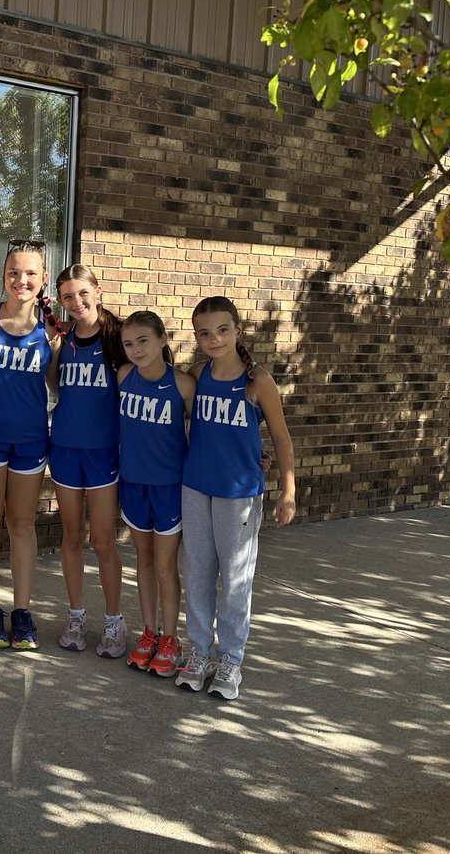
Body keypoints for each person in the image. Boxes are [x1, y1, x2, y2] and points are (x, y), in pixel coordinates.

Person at [176, 296, 295, 701]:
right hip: (195, 486)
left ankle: (230, 658)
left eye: (222, 330)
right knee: (197, 572)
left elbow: (280, 438)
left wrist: (289, 491)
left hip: (239, 494)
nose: (214, 339)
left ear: (237, 330)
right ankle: (198, 652)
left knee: (235, 580)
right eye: (204, 333)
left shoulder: (257, 380)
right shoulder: (196, 374)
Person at [0, 239, 56, 650]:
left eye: (30, 273)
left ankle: (21, 611)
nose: (22, 280)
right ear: (3, 275)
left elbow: (57, 385)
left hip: (31, 439)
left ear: (42, 279)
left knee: (21, 525)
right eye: (14, 272)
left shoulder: (51, 330)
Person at [48, 264, 129, 657]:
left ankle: (114, 620)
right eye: (67, 296)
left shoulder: (118, 338)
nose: (76, 302)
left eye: (82, 293)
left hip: (102, 452)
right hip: (64, 449)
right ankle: (77, 615)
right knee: (71, 537)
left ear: (98, 291)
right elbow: (53, 383)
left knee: (102, 541)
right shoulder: (62, 340)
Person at [117, 311, 195, 679]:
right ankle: (148, 632)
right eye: (128, 343)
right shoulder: (122, 377)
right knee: (143, 561)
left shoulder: (182, 384)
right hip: (133, 483)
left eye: (143, 341)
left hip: (168, 486)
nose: (135, 349)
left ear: (163, 339)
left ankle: (170, 637)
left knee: (165, 565)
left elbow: (206, 433)